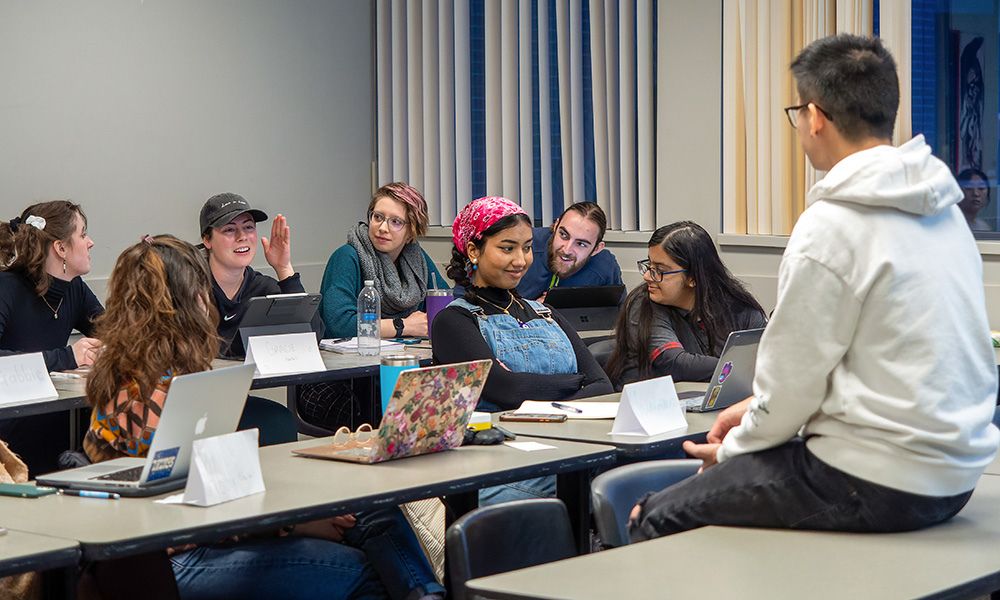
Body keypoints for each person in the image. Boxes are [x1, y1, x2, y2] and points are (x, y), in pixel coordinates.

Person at [629, 34, 999, 542]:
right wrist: (755, 413)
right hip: (955, 475)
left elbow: (792, 388)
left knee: (653, 514)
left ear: (815, 116)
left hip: (872, 479)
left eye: (796, 113)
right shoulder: (943, 212)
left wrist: (735, 452)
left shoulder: (832, 223)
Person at [83, 235, 443, 600]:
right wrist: (294, 526)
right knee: (358, 572)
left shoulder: (171, 372)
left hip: (216, 532)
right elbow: (186, 513)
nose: (206, 298)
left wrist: (297, 518)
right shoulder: (144, 393)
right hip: (173, 558)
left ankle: (427, 594)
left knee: (374, 513)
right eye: (198, 289)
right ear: (180, 303)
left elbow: (222, 487)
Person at [433, 196, 613, 505]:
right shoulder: (454, 321)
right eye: (507, 248)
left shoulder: (546, 312)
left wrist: (530, 393)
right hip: (500, 466)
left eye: (527, 247)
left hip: (569, 448)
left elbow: (602, 386)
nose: (521, 261)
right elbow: (505, 388)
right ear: (474, 251)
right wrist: (573, 381)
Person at [0, 201, 103, 473]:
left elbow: (112, 333)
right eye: (82, 234)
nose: (90, 242)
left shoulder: (74, 288)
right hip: (10, 434)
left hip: (53, 423)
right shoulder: (6, 288)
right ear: (61, 248)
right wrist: (67, 357)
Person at [605, 221, 766, 388]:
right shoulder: (643, 304)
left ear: (693, 277)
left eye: (660, 270)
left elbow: (766, 356)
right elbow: (675, 363)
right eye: (649, 265)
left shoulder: (736, 306)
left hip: (706, 403)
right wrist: (740, 369)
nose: (647, 276)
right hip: (648, 405)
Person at [319, 182, 447, 340]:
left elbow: (447, 309)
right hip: (355, 359)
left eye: (396, 222)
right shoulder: (347, 257)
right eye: (378, 217)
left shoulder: (417, 259)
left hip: (408, 353)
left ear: (411, 232)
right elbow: (340, 325)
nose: (383, 228)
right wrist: (403, 325)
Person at [199, 192, 309, 358]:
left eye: (248, 227)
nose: (242, 237)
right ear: (207, 240)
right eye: (229, 229)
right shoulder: (191, 287)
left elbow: (309, 336)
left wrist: (284, 268)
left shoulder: (263, 288)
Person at [515, 201, 622, 301]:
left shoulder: (604, 267)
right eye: (563, 235)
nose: (567, 250)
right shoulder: (524, 247)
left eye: (581, 244)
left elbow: (618, 315)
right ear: (556, 226)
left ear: (596, 249)